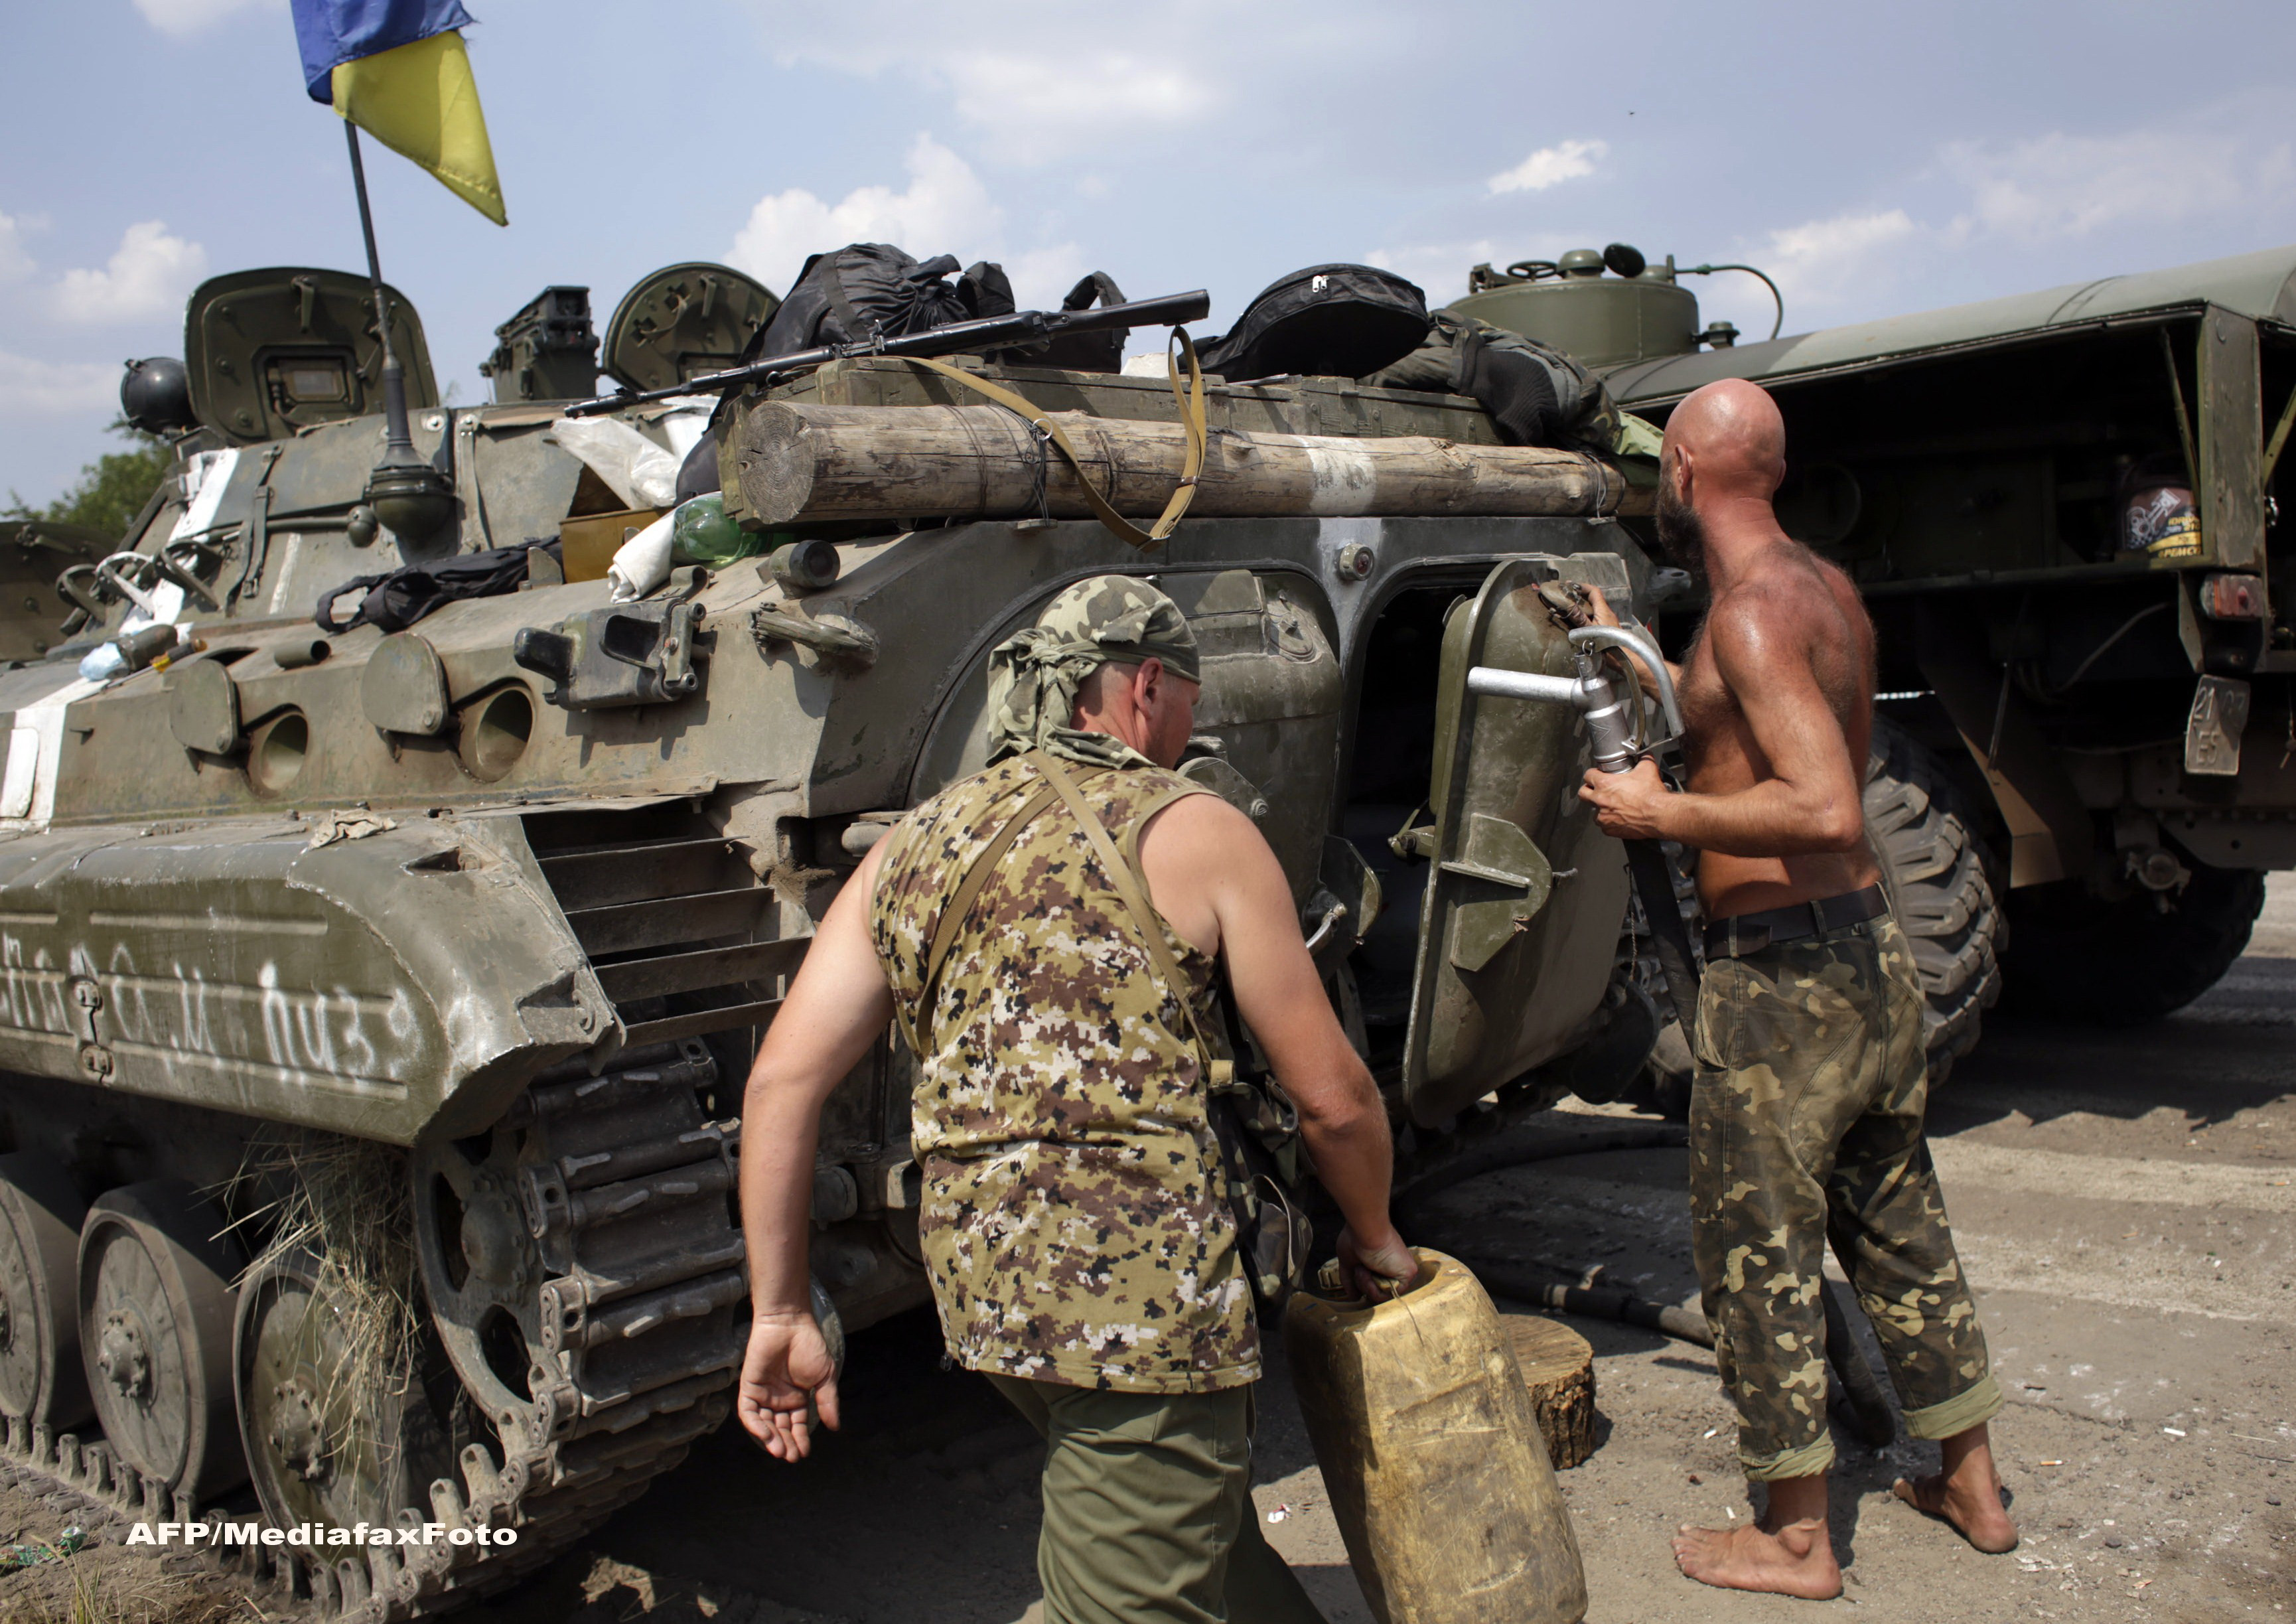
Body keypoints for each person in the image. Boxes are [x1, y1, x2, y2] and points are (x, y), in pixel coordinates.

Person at [735, 575, 1416, 1624]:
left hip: (986, 1292)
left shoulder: (914, 844)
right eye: (1192, 697)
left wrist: (780, 1309)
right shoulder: (1198, 828)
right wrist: (1374, 1235)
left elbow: (783, 1082)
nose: (1197, 723)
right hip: (1138, 1308)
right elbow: (1332, 1098)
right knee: (1131, 1592)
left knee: (1183, 1530)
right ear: (1147, 686)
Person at [1578, 379, 2016, 1599]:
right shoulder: (1819, 593)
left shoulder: (1752, 619)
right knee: (1899, 1223)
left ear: (1680, 469)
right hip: (1869, 959)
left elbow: (1823, 805)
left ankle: (1794, 1538)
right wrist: (1632, 651)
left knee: (1756, 1252)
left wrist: (1660, 811)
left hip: (1781, 986)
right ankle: (1973, 1486)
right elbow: (1739, 726)